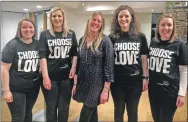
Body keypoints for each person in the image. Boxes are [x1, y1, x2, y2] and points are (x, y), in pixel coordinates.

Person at [109, 5, 149, 122]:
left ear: (131, 18)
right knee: (118, 112)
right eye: (120, 16)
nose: (123, 19)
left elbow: (143, 59)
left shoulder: (140, 37)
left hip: (135, 83)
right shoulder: (112, 38)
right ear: (117, 19)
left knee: (132, 113)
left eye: (127, 16)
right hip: (117, 83)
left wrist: (145, 77)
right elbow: (109, 61)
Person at [72, 12, 114, 122]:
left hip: (97, 84)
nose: (96, 22)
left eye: (99, 21)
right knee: (92, 110)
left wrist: (106, 89)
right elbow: (79, 63)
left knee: (85, 114)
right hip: (84, 81)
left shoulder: (105, 40)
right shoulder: (82, 40)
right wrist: (75, 83)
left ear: (102, 25)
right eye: (94, 20)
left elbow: (109, 65)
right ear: (89, 21)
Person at [38, 7, 78, 122]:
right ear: (50, 18)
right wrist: (45, 77)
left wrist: (74, 68)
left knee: (64, 108)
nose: (57, 18)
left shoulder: (70, 33)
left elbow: (75, 53)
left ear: (63, 17)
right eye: (54, 16)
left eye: (59, 16)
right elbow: (42, 56)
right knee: (51, 108)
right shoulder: (45, 34)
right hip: (50, 78)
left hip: (66, 78)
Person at [148, 13, 187, 122]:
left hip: (170, 91)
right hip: (153, 90)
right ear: (158, 27)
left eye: (169, 25)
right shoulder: (153, 42)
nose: (166, 28)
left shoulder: (180, 45)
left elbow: (184, 71)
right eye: (163, 25)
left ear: (173, 27)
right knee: (156, 118)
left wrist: (182, 94)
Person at [1, 18, 41, 122]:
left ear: (34, 29)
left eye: (30, 27)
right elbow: (4, 69)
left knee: (28, 114)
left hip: (33, 88)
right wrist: (6, 91)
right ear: (20, 29)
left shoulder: (38, 44)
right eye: (24, 27)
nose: (28, 29)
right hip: (16, 89)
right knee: (18, 117)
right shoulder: (12, 45)